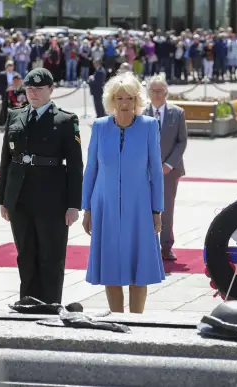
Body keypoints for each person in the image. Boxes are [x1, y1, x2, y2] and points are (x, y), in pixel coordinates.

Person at [0, 68, 83, 304]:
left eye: (38, 88)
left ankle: (51, 303)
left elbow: (75, 165)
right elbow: (6, 159)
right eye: (29, 88)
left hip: (52, 197)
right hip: (20, 196)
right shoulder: (16, 116)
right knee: (25, 253)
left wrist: (74, 204)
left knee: (50, 255)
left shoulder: (65, 120)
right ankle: (28, 301)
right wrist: (3, 198)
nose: (32, 92)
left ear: (51, 90)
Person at [81, 72, 165, 314]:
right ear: (111, 101)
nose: (125, 103)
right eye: (119, 98)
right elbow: (91, 170)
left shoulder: (149, 127)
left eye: (129, 98)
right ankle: (116, 319)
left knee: (139, 270)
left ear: (137, 100)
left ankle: (137, 321)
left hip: (139, 207)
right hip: (104, 207)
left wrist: (156, 210)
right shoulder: (99, 127)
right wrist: (86, 208)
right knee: (111, 267)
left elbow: (156, 172)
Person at [143, 74, 188, 261]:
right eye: (153, 91)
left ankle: (166, 247)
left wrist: (169, 164)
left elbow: (182, 141)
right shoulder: (140, 113)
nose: (156, 95)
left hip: (169, 171)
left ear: (166, 92)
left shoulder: (177, 113)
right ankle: (147, 245)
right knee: (145, 208)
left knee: (167, 209)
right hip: (144, 172)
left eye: (160, 91)